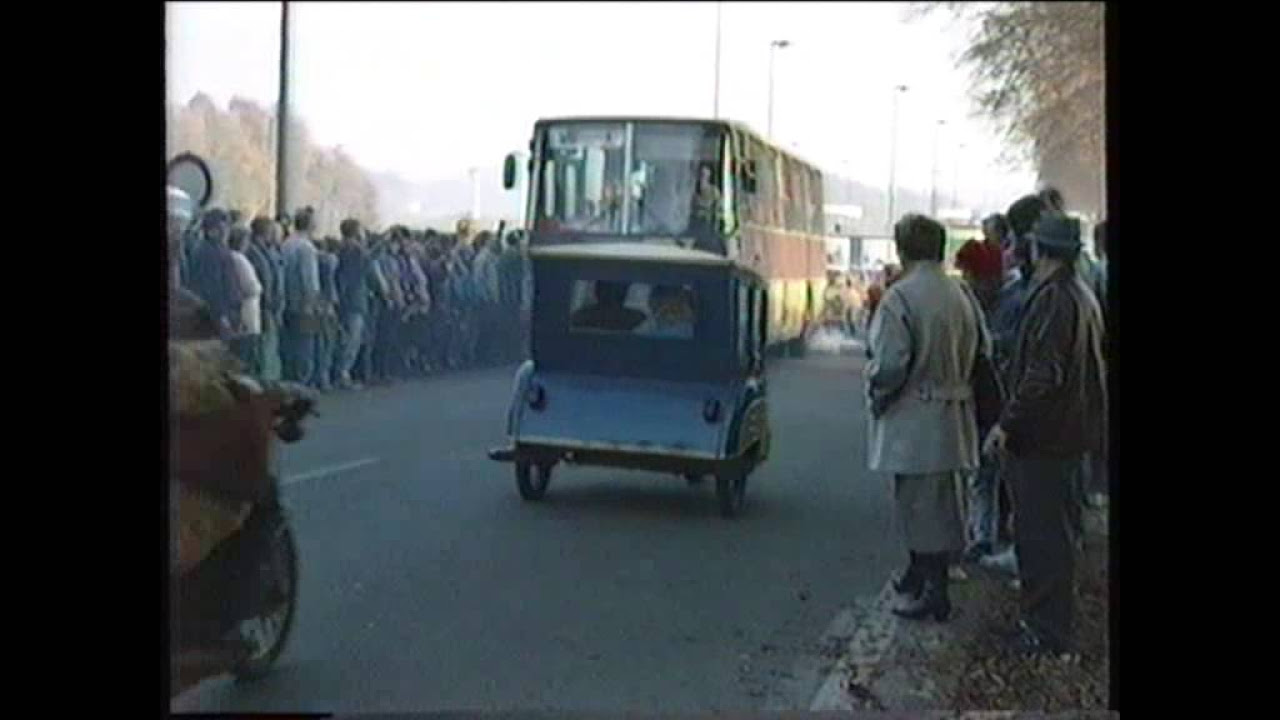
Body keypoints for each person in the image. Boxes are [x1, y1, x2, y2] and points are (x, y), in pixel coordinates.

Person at [982, 212, 1107, 657]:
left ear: (1041, 250)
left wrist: (1006, 424)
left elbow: (1043, 375)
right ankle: (1042, 626)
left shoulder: (1053, 299)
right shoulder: (1080, 295)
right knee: (1050, 537)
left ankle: (1045, 633)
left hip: (1044, 442)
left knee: (1041, 540)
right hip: (1067, 437)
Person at [865, 214, 988, 623]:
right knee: (944, 501)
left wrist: (877, 393)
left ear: (903, 249)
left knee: (919, 504)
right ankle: (923, 575)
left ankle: (933, 589)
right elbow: (983, 352)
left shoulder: (900, 298)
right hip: (956, 410)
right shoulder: (961, 294)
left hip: (915, 412)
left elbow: (889, 363)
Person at [281, 207, 322, 385]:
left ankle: (290, 380)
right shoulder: (307, 248)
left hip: (286, 301)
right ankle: (301, 382)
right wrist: (312, 303)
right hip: (303, 304)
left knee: (290, 346)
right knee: (305, 346)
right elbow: (309, 280)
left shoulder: (286, 243)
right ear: (310, 225)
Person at [227, 227, 264, 374]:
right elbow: (252, 286)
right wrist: (259, 287)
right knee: (246, 354)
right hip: (247, 311)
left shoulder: (231, 257)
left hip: (243, 311)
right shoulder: (240, 259)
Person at [314, 237, 341, 391]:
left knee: (320, 342)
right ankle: (323, 376)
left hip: (319, 303)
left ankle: (321, 375)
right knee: (327, 342)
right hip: (327, 303)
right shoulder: (329, 260)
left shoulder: (319, 259)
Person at [571, 281, 648, 333]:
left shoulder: (580, 316)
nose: (611, 293)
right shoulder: (638, 318)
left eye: (615, 289)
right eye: (607, 288)